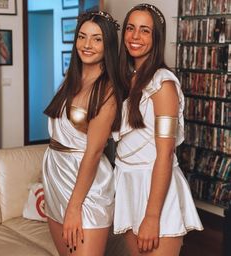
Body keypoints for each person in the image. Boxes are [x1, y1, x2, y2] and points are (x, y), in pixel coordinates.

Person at [112, 3, 203, 256]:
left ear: (156, 37)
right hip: (128, 181)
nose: (135, 37)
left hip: (155, 189)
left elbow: (165, 154)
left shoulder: (162, 84)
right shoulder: (126, 79)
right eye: (130, 28)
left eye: (144, 30)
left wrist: (152, 216)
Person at [42, 11, 122, 256]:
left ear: (107, 44)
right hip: (56, 175)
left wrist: (75, 207)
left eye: (97, 39)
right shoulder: (71, 80)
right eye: (82, 37)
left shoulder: (107, 90)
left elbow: (95, 151)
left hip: (86, 186)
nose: (87, 45)